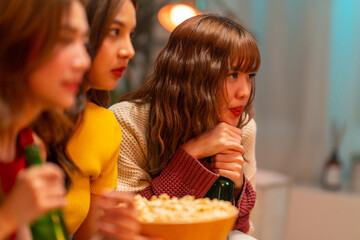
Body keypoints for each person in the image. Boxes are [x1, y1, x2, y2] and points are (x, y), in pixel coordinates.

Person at [110, 14, 260, 234]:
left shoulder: (243, 128)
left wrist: (236, 189)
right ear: (193, 73)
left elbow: (239, 231)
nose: (244, 92)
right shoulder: (129, 120)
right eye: (233, 74)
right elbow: (127, 224)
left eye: (250, 75)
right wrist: (190, 156)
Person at [64, 0, 157, 239]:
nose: (129, 50)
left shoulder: (103, 125)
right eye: (115, 31)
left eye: (131, 34)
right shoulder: (21, 120)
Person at [0, 0, 90, 239]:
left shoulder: (30, 144)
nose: (84, 61)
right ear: (15, 40)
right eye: (64, 40)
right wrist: (8, 217)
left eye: (84, 42)